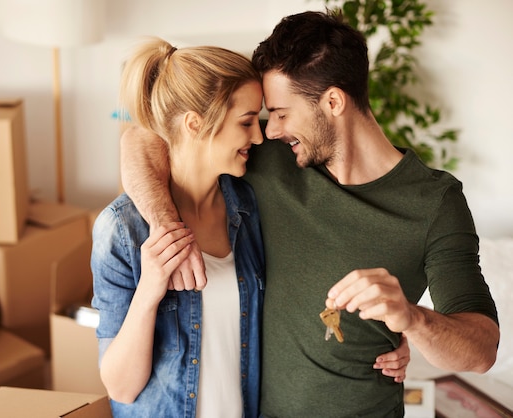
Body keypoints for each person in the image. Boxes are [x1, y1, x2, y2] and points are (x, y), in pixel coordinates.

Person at [118, 9, 500, 418]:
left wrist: (413, 320)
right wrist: (165, 225)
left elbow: (480, 351)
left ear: (333, 101)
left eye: (281, 113)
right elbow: (144, 137)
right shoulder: (267, 157)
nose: (271, 129)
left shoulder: (434, 202)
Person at [91, 37, 266, 418]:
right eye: (247, 122)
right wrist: (150, 289)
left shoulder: (249, 207)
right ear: (195, 124)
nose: (259, 136)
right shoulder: (122, 230)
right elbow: (120, 386)